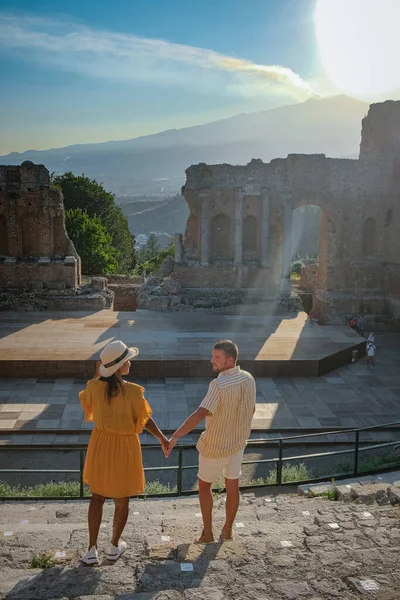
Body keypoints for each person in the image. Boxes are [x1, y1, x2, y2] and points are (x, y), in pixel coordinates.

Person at [80, 340, 169, 565]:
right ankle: (113, 546)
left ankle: (91, 549)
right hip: (124, 446)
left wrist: (100, 371)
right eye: (127, 359)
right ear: (120, 365)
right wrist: (162, 438)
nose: (130, 362)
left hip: (100, 444)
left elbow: (89, 401)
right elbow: (145, 420)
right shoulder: (132, 391)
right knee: (122, 499)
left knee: (97, 497)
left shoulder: (94, 387)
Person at [165, 340, 256, 544]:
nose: (211, 360)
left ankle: (207, 534)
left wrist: (176, 436)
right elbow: (252, 410)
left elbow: (200, 413)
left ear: (230, 360)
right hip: (238, 444)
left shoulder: (218, 384)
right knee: (233, 485)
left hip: (215, 446)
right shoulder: (249, 379)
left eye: (217, 357)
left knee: (204, 486)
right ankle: (228, 530)